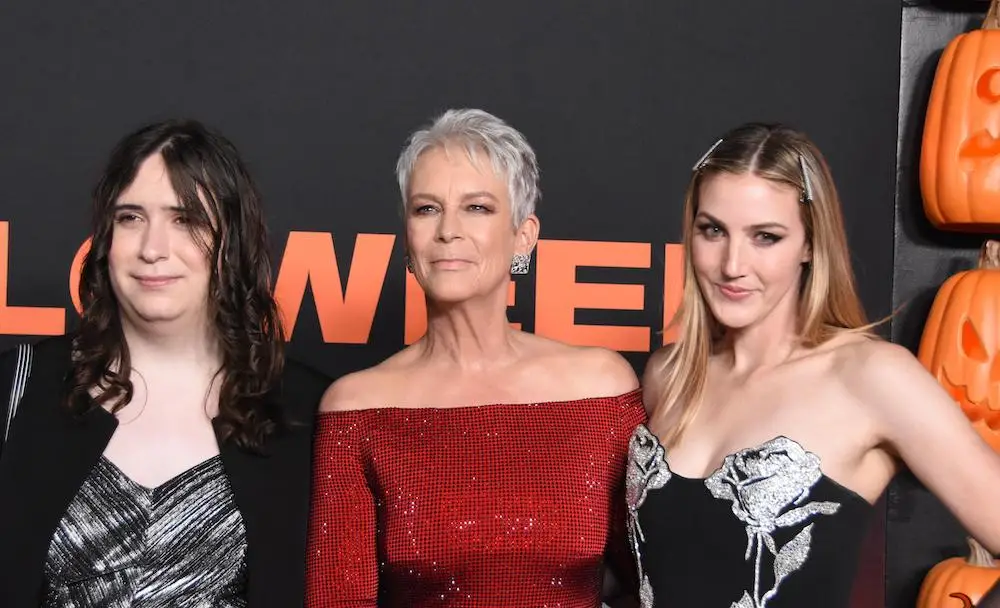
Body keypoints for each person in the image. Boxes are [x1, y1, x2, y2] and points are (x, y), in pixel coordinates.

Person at [626, 122, 1000, 608]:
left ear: (808, 244)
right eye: (713, 230)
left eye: (766, 237)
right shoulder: (669, 375)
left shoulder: (870, 377)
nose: (732, 264)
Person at [304, 108, 645, 607]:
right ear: (407, 237)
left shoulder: (601, 389)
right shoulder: (355, 408)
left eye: (477, 208)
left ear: (524, 235)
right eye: (426, 209)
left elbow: (655, 581)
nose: (448, 231)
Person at [0, 119, 330, 607]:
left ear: (230, 242)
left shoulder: (308, 413)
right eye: (130, 218)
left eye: (185, 219)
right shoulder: (20, 387)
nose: (152, 249)